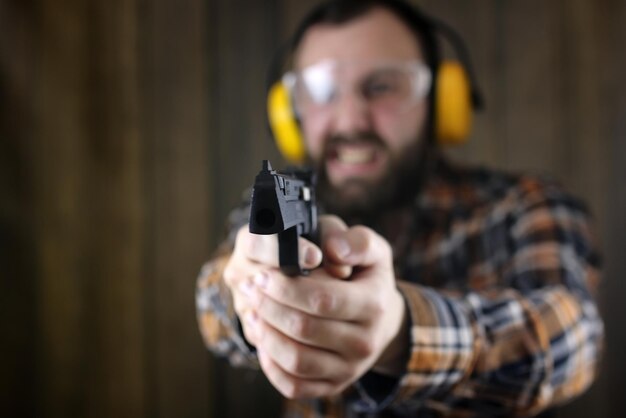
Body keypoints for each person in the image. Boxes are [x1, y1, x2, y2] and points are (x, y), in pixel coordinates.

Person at [196, 0, 604, 416]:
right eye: (320, 91)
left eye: (383, 86)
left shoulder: (524, 206)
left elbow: (571, 341)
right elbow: (213, 299)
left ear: (443, 104)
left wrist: (400, 332)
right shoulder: (280, 198)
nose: (350, 121)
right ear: (289, 112)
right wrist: (252, 296)